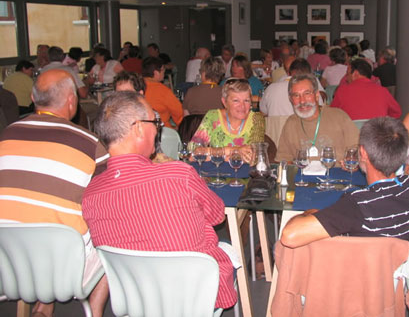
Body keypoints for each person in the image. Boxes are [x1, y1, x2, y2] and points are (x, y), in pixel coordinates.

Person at [82, 91, 237, 310]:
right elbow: (217, 214)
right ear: (138, 128)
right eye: (155, 122)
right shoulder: (178, 174)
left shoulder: (91, 193)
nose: (158, 129)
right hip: (194, 295)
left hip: (134, 298)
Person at [0, 69, 109, 317]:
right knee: (110, 228)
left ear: (32, 98)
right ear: (72, 101)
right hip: (65, 268)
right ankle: (94, 311)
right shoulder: (89, 143)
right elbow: (106, 202)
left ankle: (43, 305)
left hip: (8, 264)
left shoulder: (6, 136)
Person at [280, 117, 409, 248]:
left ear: (363, 152)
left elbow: (289, 236)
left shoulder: (357, 206)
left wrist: (311, 212)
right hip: (398, 265)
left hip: (357, 267)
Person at [276, 73, 359, 162]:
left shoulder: (339, 117)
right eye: (296, 95)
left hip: (336, 170)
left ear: (316, 95)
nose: (302, 101)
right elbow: (284, 159)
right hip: (303, 171)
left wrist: (352, 161)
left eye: (307, 94)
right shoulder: (291, 123)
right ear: (290, 99)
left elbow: (357, 151)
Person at [190, 78, 265, 163]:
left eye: (246, 101)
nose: (242, 106)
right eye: (236, 101)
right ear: (224, 102)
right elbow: (193, 152)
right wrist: (235, 150)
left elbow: (254, 156)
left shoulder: (257, 119)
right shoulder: (213, 117)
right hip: (215, 171)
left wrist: (213, 153)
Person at [331, 58, 401, 120]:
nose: (346, 78)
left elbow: (332, 114)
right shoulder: (383, 91)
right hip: (377, 130)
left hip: (351, 130)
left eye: (347, 73)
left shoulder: (342, 91)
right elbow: (397, 113)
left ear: (355, 74)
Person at [260, 58, 324, 117]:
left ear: (288, 73)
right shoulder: (310, 88)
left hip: (275, 125)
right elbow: (320, 111)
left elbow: (262, 113)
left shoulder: (271, 87)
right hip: (301, 124)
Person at [142, 56, 183, 127]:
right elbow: (179, 114)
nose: (164, 73)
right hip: (161, 129)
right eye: (163, 70)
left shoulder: (136, 85)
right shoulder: (163, 90)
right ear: (156, 73)